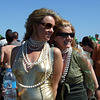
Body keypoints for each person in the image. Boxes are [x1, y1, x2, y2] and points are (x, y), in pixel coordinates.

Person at [10, 8, 63, 100]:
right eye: (48, 26)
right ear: (34, 25)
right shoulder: (16, 51)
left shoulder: (54, 53)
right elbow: (14, 83)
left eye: (53, 27)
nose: (52, 30)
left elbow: (55, 87)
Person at [49, 19, 98, 100]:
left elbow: (93, 84)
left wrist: (84, 97)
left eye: (71, 35)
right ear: (54, 37)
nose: (69, 38)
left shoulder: (79, 55)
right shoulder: (47, 55)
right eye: (64, 35)